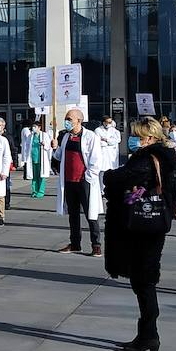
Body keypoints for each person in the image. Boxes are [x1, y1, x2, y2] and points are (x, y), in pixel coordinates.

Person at [103, 116, 176, 351]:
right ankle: (147, 334)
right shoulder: (160, 158)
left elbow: (119, 178)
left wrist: (108, 175)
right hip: (151, 224)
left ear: (149, 138)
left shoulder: (147, 159)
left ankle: (149, 335)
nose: (133, 140)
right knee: (143, 278)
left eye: (137, 136)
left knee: (144, 279)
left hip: (144, 226)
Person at [56, 108, 105, 256]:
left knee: (91, 214)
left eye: (69, 119)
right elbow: (59, 156)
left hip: (84, 181)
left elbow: (96, 160)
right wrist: (53, 147)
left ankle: (96, 244)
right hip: (69, 181)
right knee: (73, 214)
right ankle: (75, 243)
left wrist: (88, 176)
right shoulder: (66, 137)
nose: (67, 121)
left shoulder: (90, 136)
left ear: (79, 120)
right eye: (66, 118)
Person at [27, 120, 52, 198]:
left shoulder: (44, 135)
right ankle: (34, 191)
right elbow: (27, 147)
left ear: (39, 127)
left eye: (35, 127)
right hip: (33, 159)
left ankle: (41, 191)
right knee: (34, 176)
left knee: (41, 176)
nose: (33, 128)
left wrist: (44, 144)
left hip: (41, 159)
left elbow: (48, 146)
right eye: (33, 127)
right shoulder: (30, 136)